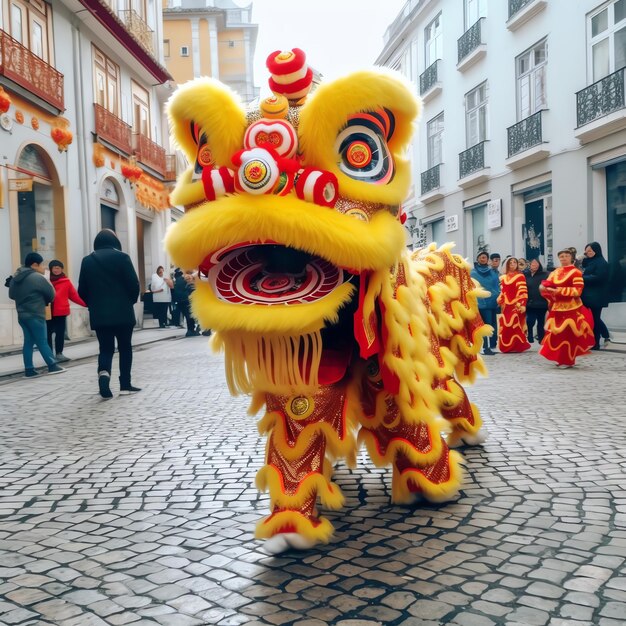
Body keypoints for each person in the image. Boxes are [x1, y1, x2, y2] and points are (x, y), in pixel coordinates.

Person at [78, 229, 141, 398]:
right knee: (125, 348)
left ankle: (104, 373)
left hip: (100, 314)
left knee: (105, 348)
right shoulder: (122, 257)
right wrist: (130, 301)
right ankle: (125, 385)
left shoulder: (87, 261)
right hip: (123, 313)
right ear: (115, 242)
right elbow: (134, 285)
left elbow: (81, 290)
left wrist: (93, 304)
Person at [8, 252, 65, 377]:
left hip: (22, 315)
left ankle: (29, 370)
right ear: (34, 264)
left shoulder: (16, 277)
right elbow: (51, 295)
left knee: (28, 341)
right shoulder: (37, 278)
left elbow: (11, 295)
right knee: (42, 341)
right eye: (41, 264)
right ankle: (52, 365)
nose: (43, 267)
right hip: (35, 314)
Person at [539, 248, 595, 367]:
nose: (563, 258)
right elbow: (547, 284)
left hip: (571, 308)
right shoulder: (555, 272)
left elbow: (577, 291)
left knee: (568, 334)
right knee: (556, 334)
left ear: (571, 258)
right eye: (561, 256)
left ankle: (568, 359)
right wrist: (545, 289)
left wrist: (558, 291)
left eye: (566, 256)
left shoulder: (576, 272)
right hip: (557, 308)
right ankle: (559, 358)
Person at [47, 260, 86, 362]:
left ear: (62, 269)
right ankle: (49, 355)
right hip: (48, 311)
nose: (56, 270)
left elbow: (74, 296)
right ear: (51, 269)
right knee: (48, 333)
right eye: (54, 268)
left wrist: (86, 304)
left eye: (58, 268)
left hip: (60, 312)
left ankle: (59, 353)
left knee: (60, 334)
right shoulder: (46, 280)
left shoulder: (66, 281)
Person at [497, 257, 530, 353]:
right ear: (507, 264)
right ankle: (507, 346)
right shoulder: (504, 277)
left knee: (515, 324)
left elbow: (523, 291)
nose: (512, 264)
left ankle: (518, 345)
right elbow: (503, 291)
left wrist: (523, 303)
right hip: (506, 306)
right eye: (510, 262)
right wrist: (500, 298)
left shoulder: (520, 276)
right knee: (506, 325)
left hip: (516, 304)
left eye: (514, 262)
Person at [582, 241, 611, 350]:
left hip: (597, 295)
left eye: (590, 251)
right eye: (586, 251)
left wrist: (582, 277)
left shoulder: (601, 262)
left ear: (596, 251)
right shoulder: (590, 261)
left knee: (595, 319)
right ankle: (604, 336)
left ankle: (597, 342)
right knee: (594, 318)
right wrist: (582, 257)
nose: (588, 253)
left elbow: (599, 277)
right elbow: (584, 265)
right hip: (589, 295)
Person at [470, 250, 500, 355]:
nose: (483, 259)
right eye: (481, 257)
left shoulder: (492, 272)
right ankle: (484, 347)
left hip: (493, 301)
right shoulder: (473, 272)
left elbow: (497, 286)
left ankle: (491, 345)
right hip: (480, 302)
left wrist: (497, 296)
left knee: (492, 324)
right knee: (483, 325)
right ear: (478, 258)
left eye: (485, 257)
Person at [525, 258, 549, 344]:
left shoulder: (545, 274)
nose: (534, 265)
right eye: (532, 263)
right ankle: (530, 333)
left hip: (541, 302)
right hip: (530, 302)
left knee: (540, 321)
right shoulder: (525, 275)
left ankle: (541, 338)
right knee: (530, 320)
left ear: (539, 265)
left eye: (536, 263)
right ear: (530, 265)